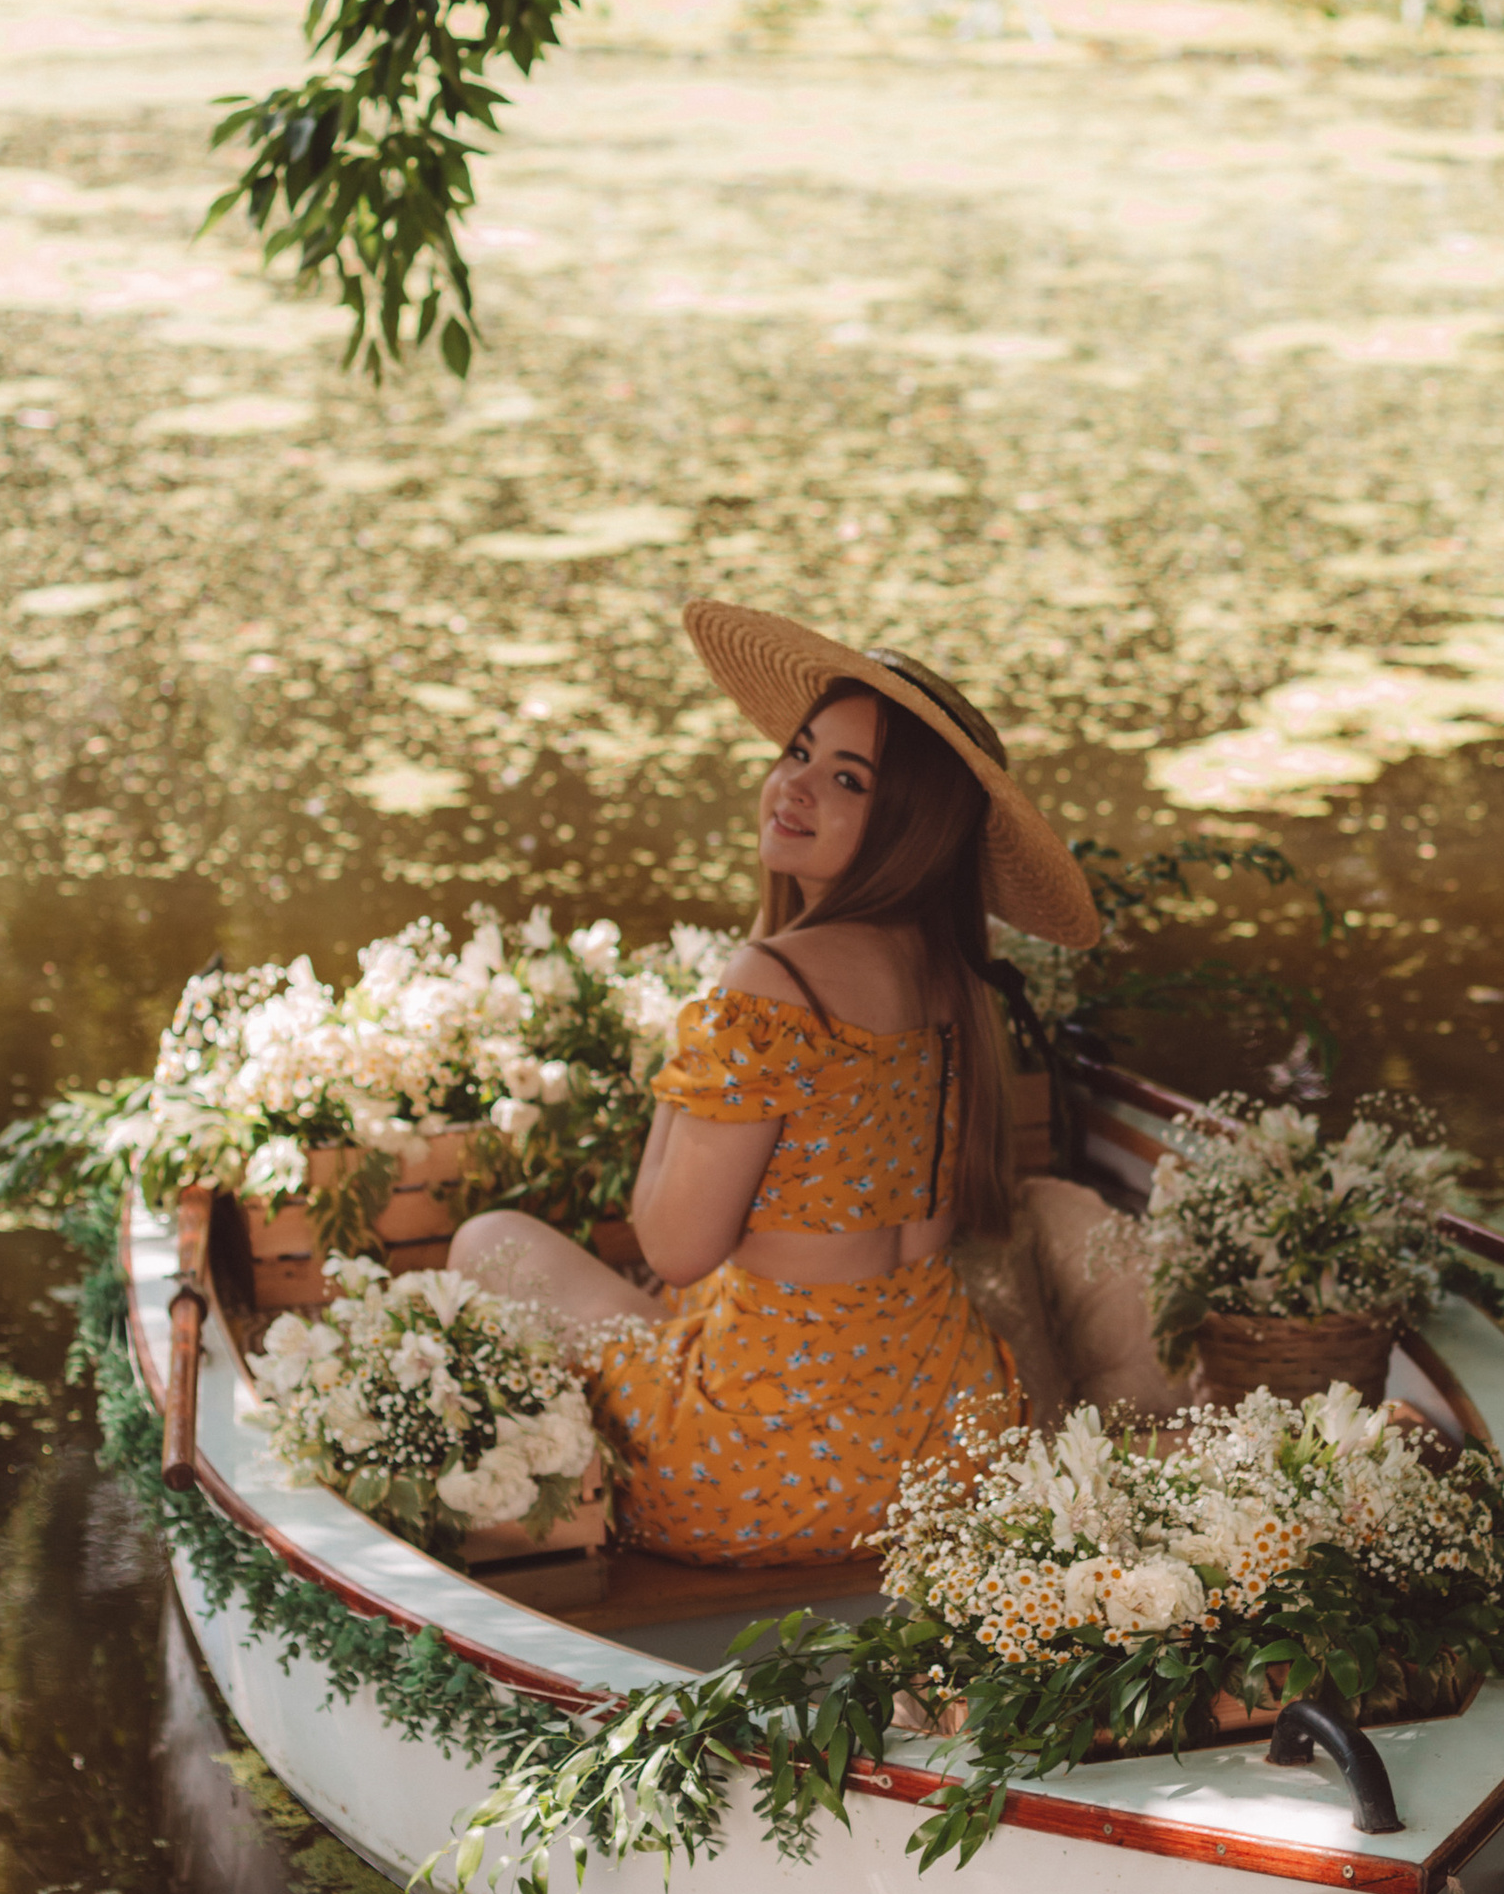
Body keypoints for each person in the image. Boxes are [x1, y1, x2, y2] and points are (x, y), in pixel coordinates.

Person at [450, 598, 1103, 1562]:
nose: (794, 788)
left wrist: (702, 1034)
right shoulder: (952, 976)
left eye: (848, 779)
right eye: (798, 753)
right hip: (948, 1441)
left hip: (762, 1466)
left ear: (910, 830)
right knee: (697, 1305)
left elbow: (674, 1246)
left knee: (484, 1240)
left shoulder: (773, 984)